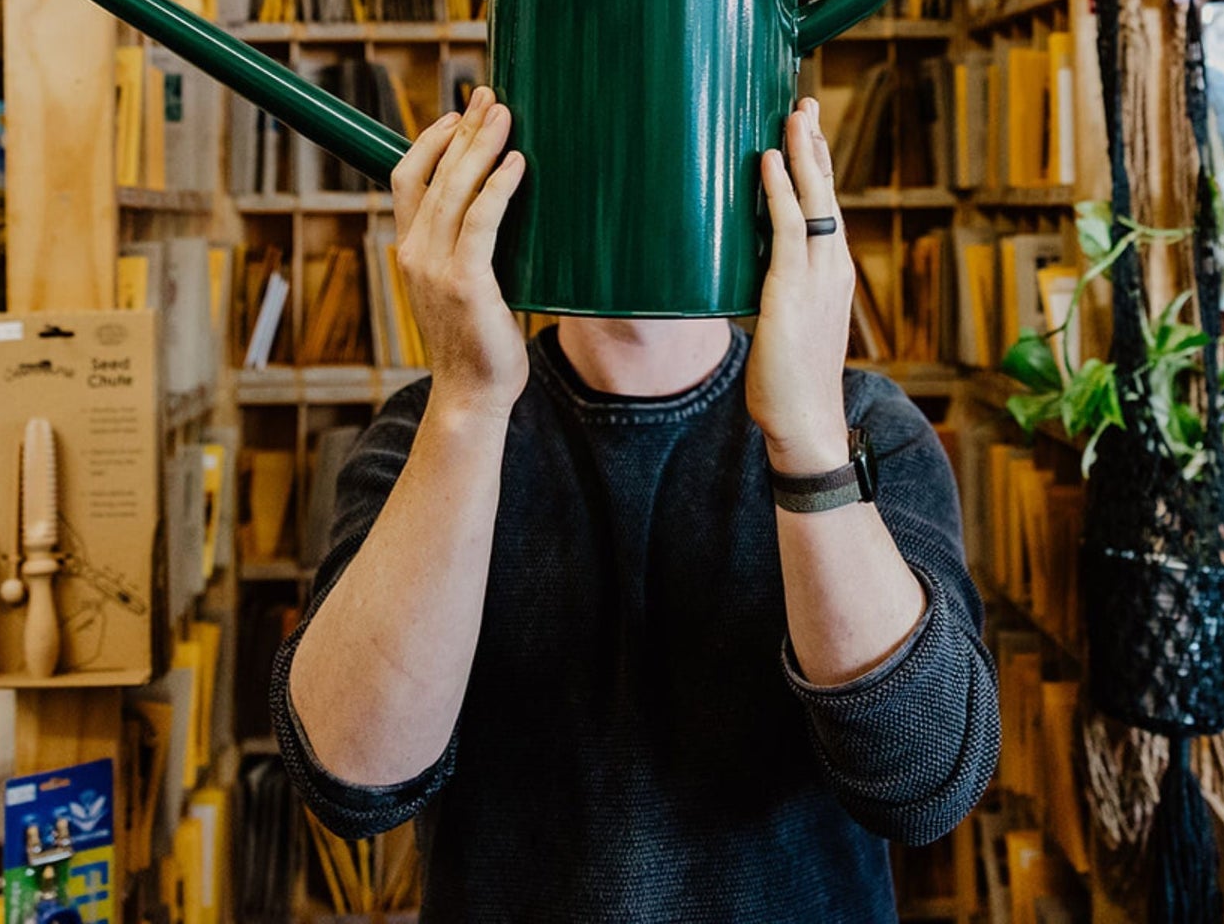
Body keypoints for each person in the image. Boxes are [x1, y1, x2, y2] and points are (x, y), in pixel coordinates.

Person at [274, 87, 997, 923]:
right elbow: (352, 781)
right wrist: (468, 404)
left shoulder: (865, 425)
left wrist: (808, 440)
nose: (637, 189)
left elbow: (925, 784)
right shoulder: (426, 431)